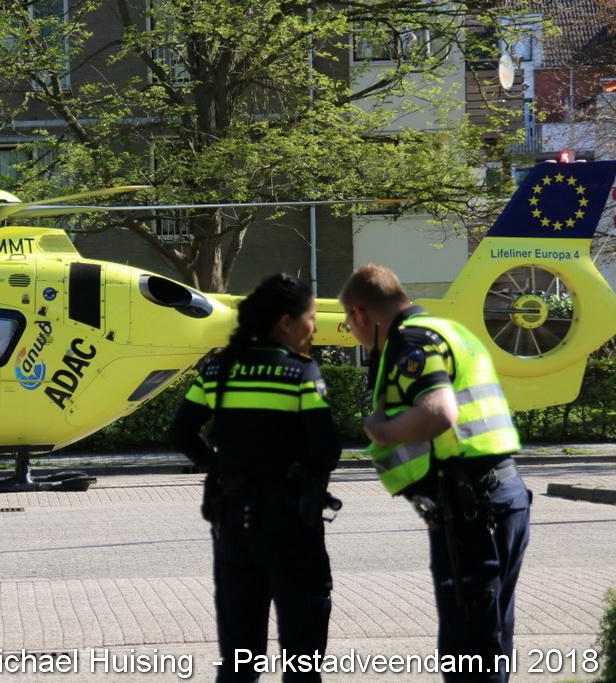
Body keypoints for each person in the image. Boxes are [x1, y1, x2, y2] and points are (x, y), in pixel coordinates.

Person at [339, 264, 530, 683]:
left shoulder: (410, 340)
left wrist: (380, 430)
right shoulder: (450, 330)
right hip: (500, 496)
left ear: (360, 314)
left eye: (348, 324)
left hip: (472, 507)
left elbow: (439, 412)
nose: (352, 332)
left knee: (468, 649)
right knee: (490, 636)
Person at [170, 273, 341, 682]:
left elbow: (181, 433)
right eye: (310, 318)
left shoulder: (217, 370)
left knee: (239, 658)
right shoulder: (300, 373)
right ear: (285, 322)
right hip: (291, 524)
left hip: (234, 523)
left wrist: (217, 467)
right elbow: (326, 449)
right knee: (302, 656)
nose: (313, 327)